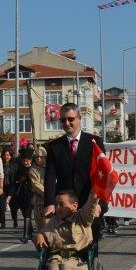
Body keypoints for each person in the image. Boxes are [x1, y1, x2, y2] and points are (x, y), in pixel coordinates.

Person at [43, 103, 105, 242]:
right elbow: (49, 177)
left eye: (70, 119)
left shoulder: (95, 142)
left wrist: (99, 204)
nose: (67, 123)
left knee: (89, 248)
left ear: (79, 118)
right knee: (63, 247)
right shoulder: (54, 146)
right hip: (64, 207)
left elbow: (103, 176)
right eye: (63, 120)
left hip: (89, 204)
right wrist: (50, 203)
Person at [34, 191, 100, 270]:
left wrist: (95, 194)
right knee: (52, 268)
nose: (58, 208)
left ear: (74, 205)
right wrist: (39, 235)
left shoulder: (82, 218)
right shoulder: (53, 221)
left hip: (78, 258)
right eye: (57, 204)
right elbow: (44, 233)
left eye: (62, 204)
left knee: (68, 267)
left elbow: (90, 206)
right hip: (57, 256)